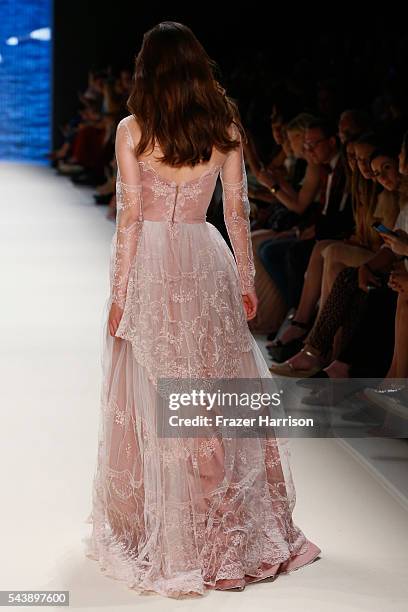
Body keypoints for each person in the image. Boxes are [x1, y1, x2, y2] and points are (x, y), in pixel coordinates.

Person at [83, 21, 321, 598]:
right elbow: (236, 212)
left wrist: (120, 297)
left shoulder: (133, 130)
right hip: (206, 258)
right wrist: (244, 280)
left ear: (148, 72)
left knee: (162, 389)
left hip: (155, 269)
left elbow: (130, 221)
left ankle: (176, 535)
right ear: (197, 69)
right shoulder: (226, 128)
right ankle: (224, 533)